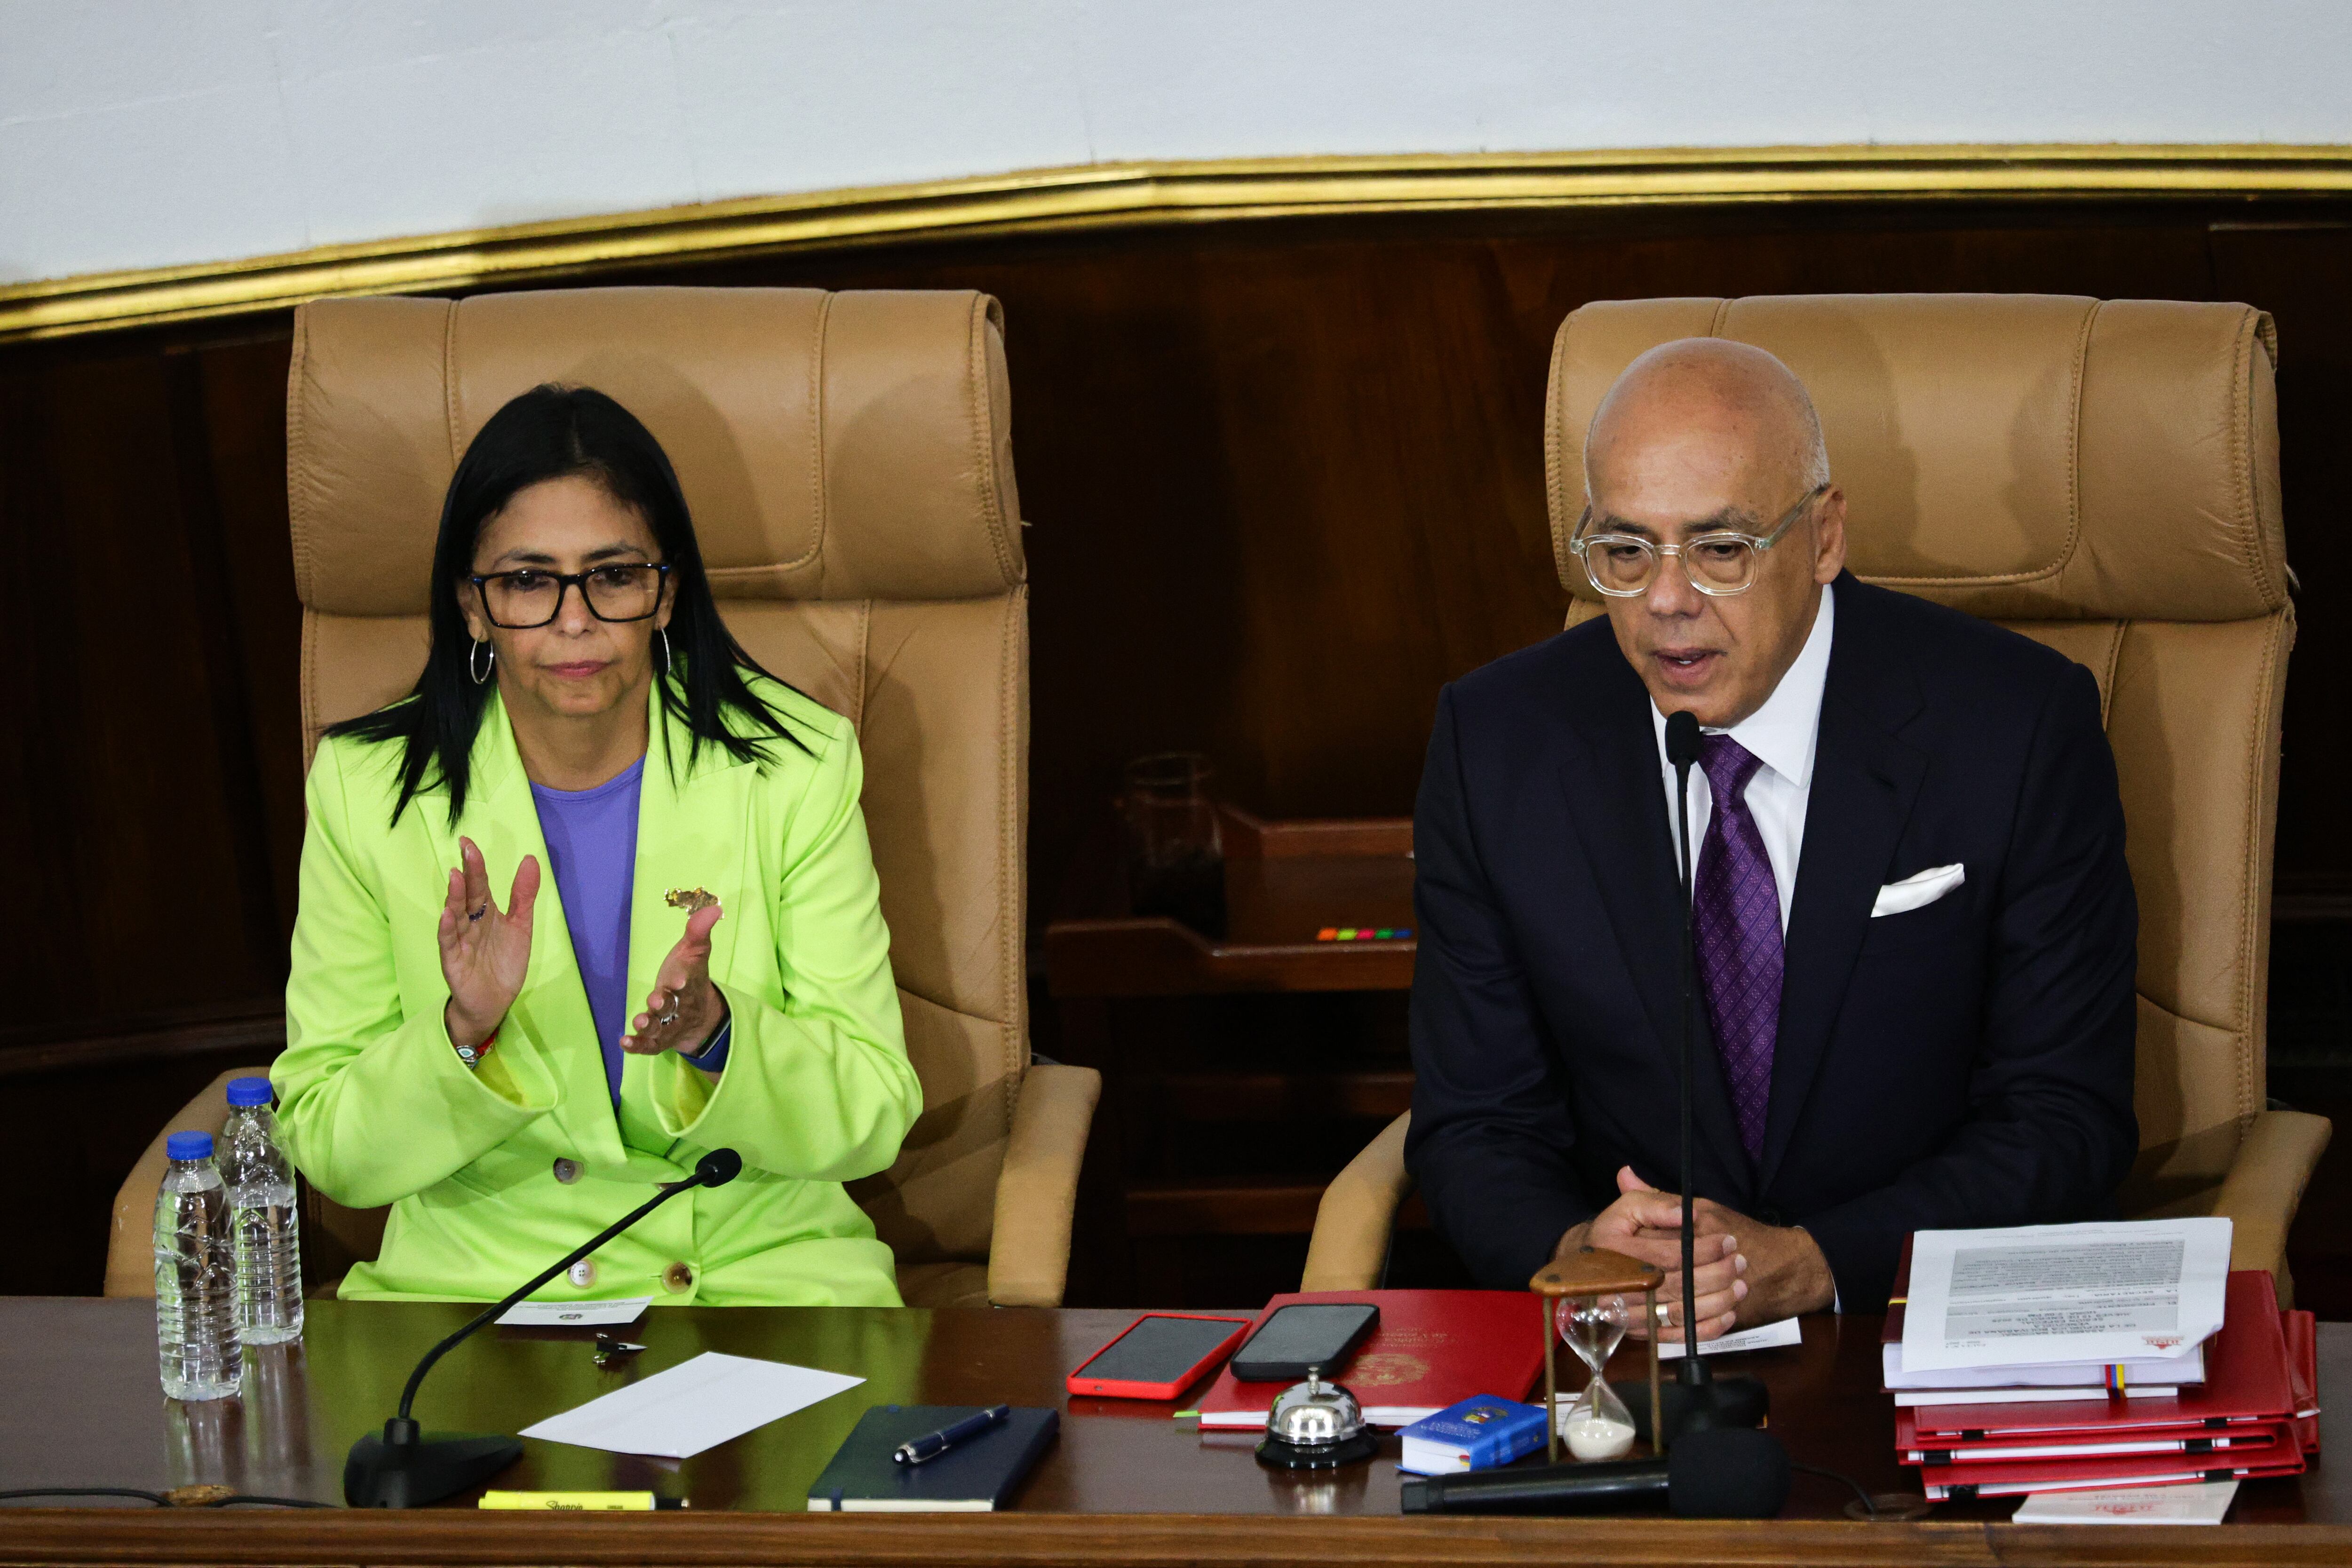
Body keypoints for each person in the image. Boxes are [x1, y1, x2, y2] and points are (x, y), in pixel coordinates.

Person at [1406, 339, 2137, 1338]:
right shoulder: (1497, 744)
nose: (1666, 600)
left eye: (1720, 549)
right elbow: (1476, 1120)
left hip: (1907, 1329)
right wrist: (1579, 1251)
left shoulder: (2014, 726)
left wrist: (1818, 1261)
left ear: (1824, 537)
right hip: (1632, 1349)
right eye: (1625, 550)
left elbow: (2064, 1112)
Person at [273, 384, 922, 1306]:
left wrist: (715, 1035)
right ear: (471, 605)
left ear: (666, 594)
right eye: (528, 580)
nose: (573, 620)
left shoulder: (794, 768)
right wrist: (464, 1034)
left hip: (757, 1283)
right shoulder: (368, 788)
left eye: (612, 575)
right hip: (485, 1296)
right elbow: (332, 1144)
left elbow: (874, 1108)